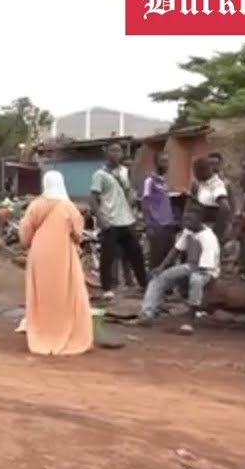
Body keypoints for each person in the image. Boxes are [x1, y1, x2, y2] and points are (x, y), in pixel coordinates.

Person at [15, 171, 94, 355]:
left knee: (41, 294)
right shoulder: (69, 207)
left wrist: (30, 242)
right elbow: (78, 233)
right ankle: (68, 331)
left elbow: (25, 234)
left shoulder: (36, 205)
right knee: (67, 292)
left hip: (39, 254)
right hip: (63, 255)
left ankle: (40, 330)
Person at [140, 208, 220, 335]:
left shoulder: (208, 238)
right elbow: (176, 250)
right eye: (185, 219)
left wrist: (182, 277)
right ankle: (147, 313)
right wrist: (161, 267)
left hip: (207, 271)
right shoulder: (189, 231)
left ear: (199, 220)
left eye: (190, 219)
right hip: (191, 266)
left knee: (196, 280)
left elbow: (205, 267)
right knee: (158, 278)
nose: (186, 222)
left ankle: (190, 321)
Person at [90, 143, 149, 300]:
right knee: (108, 257)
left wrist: (134, 204)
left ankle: (144, 284)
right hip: (110, 220)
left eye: (118, 150)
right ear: (106, 153)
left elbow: (130, 192)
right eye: (112, 150)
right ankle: (107, 288)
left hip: (127, 220)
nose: (116, 153)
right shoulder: (100, 175)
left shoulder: (125, 171)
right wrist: (100, 218)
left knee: (136, 253)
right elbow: (93, 199)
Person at [139, 152, 177, 271]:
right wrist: (148, 225)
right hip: (156, 225)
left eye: (167, 161)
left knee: (169, 258)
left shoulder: (164, 182)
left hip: (168, 225)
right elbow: (144, 202)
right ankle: (153, 281)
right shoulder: (149, 181)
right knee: (156, 259)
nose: (165, 164)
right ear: (156, 163)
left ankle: (168, 282)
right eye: (162, 161)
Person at [190, 156, 231, 239]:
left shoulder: (216, 185)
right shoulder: (202, 184)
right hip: (200, 227)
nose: (195, 175)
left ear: (202, 170)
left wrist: (216, 232)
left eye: (195, 172)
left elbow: (225, 208)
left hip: (209, 227)